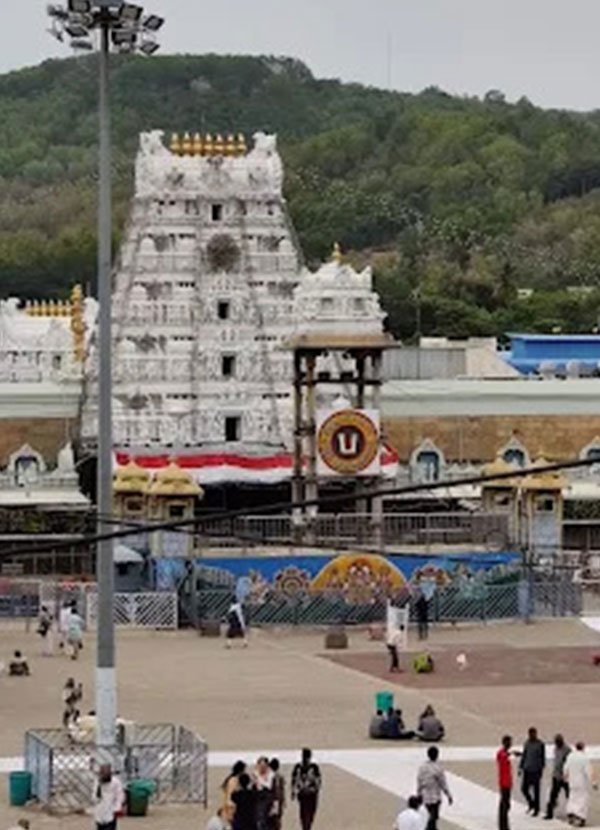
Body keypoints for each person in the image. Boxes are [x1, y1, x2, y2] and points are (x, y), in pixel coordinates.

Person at [416, 746, 452, 830]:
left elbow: (419, 781)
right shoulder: (438, 768)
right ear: (437, 755)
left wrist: (418, 793)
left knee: (430, 817)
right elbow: (443, 783)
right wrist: (448, 795)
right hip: (435, 797)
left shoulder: (422, 767)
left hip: (425, 796)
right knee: (433, 818)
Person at [564, 741, 595, 828]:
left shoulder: (570, 756)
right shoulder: (584, 758)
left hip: (572, 781)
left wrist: (565, 777)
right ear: (583, 748)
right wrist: (593, 782)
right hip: (581, 782)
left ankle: (570, 813)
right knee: (582, 799)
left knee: (572, 797)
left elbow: (565, 768)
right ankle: (580, 817)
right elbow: (588, 771)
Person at [291, 748, 321, 830]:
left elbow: (318, 781)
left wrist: (315, 788)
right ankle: (306, 827)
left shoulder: (314, 767)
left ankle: (307, 827)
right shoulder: (298, 767)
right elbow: (294, 780)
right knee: (304, 814)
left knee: (309, 815)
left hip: (311, 794)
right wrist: (293, 791)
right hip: (304, 794)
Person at [519, 726, 545, 817]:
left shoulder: (540, 744)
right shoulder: (527, 743)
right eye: (530, 734)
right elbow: (524, 756)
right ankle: (531, 803)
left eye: (533, 734)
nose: (531, 735)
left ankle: (536, 809)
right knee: (524, 789)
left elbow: (542, 758)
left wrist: (541, 770)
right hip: (527, 770)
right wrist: (520, 767)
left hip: (536, 770)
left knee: (536, 791)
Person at [544, 733, 571, 820]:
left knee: (569, 796)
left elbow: (569, 763)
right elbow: (556, 761)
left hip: (565, 777)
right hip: (556, 776)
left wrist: (566, 774)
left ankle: (571, 812)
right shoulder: (555, 749)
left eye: (558, 742)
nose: (557, 743)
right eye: (556, 742)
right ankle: (549, 813)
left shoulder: (567, 750)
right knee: (553, 795)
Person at [93, 764, 124, 830]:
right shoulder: (98, 782)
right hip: (100, 811)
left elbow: (119, 796)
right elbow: (94, 798)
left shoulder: (116, 782)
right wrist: (99, 787)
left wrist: (117, 808)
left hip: (111, 811)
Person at [497, 735, 513, 830]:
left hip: (507, 783)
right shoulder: (501, 754)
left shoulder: (504, 753)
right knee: (504, 805)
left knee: (506, 805)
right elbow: (503, 756)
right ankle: (503, 826)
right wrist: (510, 754)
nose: (510, 744)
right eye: (509, 742)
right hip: (504, 783)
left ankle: (504, 824)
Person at [254, 756, 274, 830]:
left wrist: (258, 778)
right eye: (260, 766)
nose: (262, 768)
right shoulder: (256, 773)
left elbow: (268, 786)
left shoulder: (271, 774)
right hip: (257, 798)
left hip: (267, 798)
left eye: (264, 766)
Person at [269, 757, 286, 830]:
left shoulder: (270, 776)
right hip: (278, 800)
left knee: (272, 820)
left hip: (273, 800)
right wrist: (283, 800)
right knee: (277, 820)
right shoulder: (280, 776)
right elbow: (282, 790)